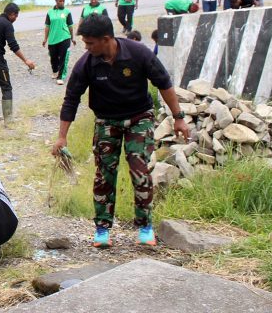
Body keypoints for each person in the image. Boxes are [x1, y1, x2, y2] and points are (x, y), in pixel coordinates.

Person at [52, 14, 190, 248]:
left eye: (90, 42)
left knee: (139, 170)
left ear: (106, 39)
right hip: (107, 121)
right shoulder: (86, 63)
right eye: (85, 43)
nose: (86, 47)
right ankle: (102, 228)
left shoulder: (138, 53)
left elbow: (164, 83)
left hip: (139, 117)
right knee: (105, 173)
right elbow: (71, 99)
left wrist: (178, 118)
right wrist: (62, 136)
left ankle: (145, 226)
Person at [0, 3, 36, 125]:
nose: (16, 18)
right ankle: (9, 120)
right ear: (11, 14)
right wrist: (26, 60)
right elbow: (13, 45)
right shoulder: (7, 24)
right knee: (6, 87)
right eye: (16, 15)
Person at [42, 0, 75, 86]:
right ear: (56, 1)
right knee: (53, 57)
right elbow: (47, 26)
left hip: (65, 37)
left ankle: (61, 77)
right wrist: (45, 39)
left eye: (63, 1)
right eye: (60, 1)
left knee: (63, 58)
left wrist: (72, 38)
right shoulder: (50, 12)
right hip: (52, 39)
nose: (62, 2)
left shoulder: (67, 12)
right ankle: (55, 70)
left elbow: (70, 26)